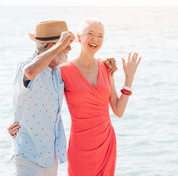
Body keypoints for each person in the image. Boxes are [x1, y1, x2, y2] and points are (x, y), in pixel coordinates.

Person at [8, 20, 116, 176]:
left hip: (51, 157)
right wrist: (59, 45)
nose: (70, 49)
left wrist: (106, 64)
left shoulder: (57, 73)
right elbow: (30, 72)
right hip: (28, 156)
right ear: (52, 48)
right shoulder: (26, 64)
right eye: (66, 45)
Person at [60, 18, 141, 176]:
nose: (95, 39)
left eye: (100, 35)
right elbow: (49, 104)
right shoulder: (64, 71)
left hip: (106, 142)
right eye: (90, 33)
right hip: (81, 146)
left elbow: (118, 110)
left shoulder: (106, 67)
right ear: (79, 37)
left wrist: (129, 78)